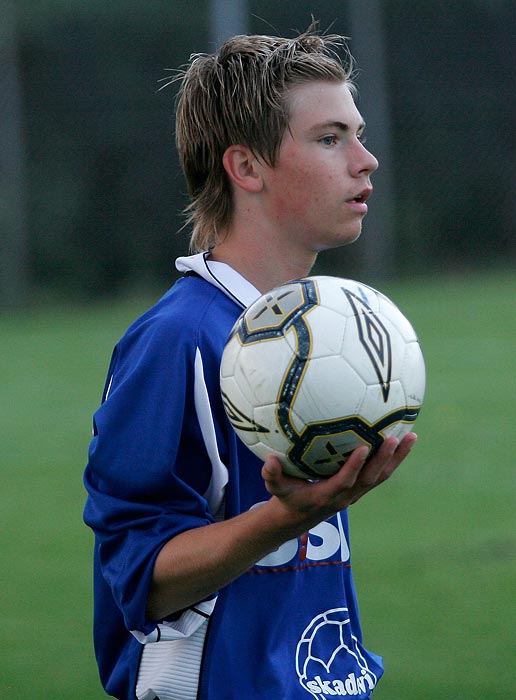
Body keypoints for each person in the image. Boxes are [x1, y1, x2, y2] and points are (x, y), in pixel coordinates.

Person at [83, 24, 417, 700]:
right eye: (331, 139)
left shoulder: (330, 331)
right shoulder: (178, 339)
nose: (366, 159)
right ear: (247, 168)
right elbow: (139, 580)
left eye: (357, 132)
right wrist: (288, 516)